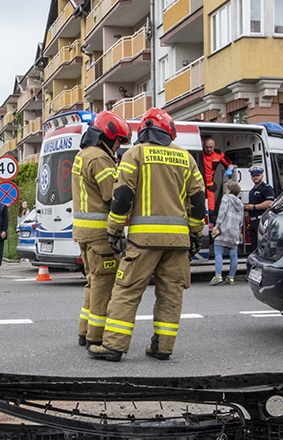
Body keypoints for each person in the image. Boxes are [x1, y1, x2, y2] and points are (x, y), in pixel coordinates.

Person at [87, 108, 206, 362]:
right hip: (178, 243)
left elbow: (122, 197)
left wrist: (114, 229)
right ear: (169, 132)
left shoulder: (135, 154)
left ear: (144, 131)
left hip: (144, 241)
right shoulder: (186, 158)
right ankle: (162, 347)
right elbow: (198, 200)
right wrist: (196, 234)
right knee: (171, 293)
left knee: (126, 290)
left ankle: (113, 346)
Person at [72, 110, 133, 347]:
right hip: (100, 235)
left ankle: (84, 330)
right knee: (103, 286)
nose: (118, 146)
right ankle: (95, 336)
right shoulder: (100, 158)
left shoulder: (84, 155)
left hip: (84, 233)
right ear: (107, 136)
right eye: (118, 140)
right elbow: (112, 195)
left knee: (93, 282)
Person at [210, 180, 243, 285]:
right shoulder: (240, 204)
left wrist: (216, 226)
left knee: (218, 252)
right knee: (233, 254)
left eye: (226, 188)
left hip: (224, 229)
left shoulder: (226, 198)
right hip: (234, 231)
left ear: (229, 190)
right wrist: (238, 230)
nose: (225, 190)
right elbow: (241, 221)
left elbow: (221, 213)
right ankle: (231, 277)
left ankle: (218, 276)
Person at [243, 166, 275, 253]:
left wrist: (253, 207)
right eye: (253, 176)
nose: (255, 177)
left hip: (262, 220)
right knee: (254, 244)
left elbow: (270, 203)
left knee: (262, 244)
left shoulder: (267, 188)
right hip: (252, 221)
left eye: (257, 175)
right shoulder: (252, 191)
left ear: (262, 176)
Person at [200, 136, 233, 219]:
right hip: (199, 185)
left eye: (211, 147)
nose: (209, 149)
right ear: (203, 146)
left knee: (211, 211)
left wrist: (230, 169)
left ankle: (212, 228)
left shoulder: (218, 155)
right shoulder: (199, 154)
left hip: (210, 186)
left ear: (214, 146)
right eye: (206, 147)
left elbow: (230, 164)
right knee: (200, 208)